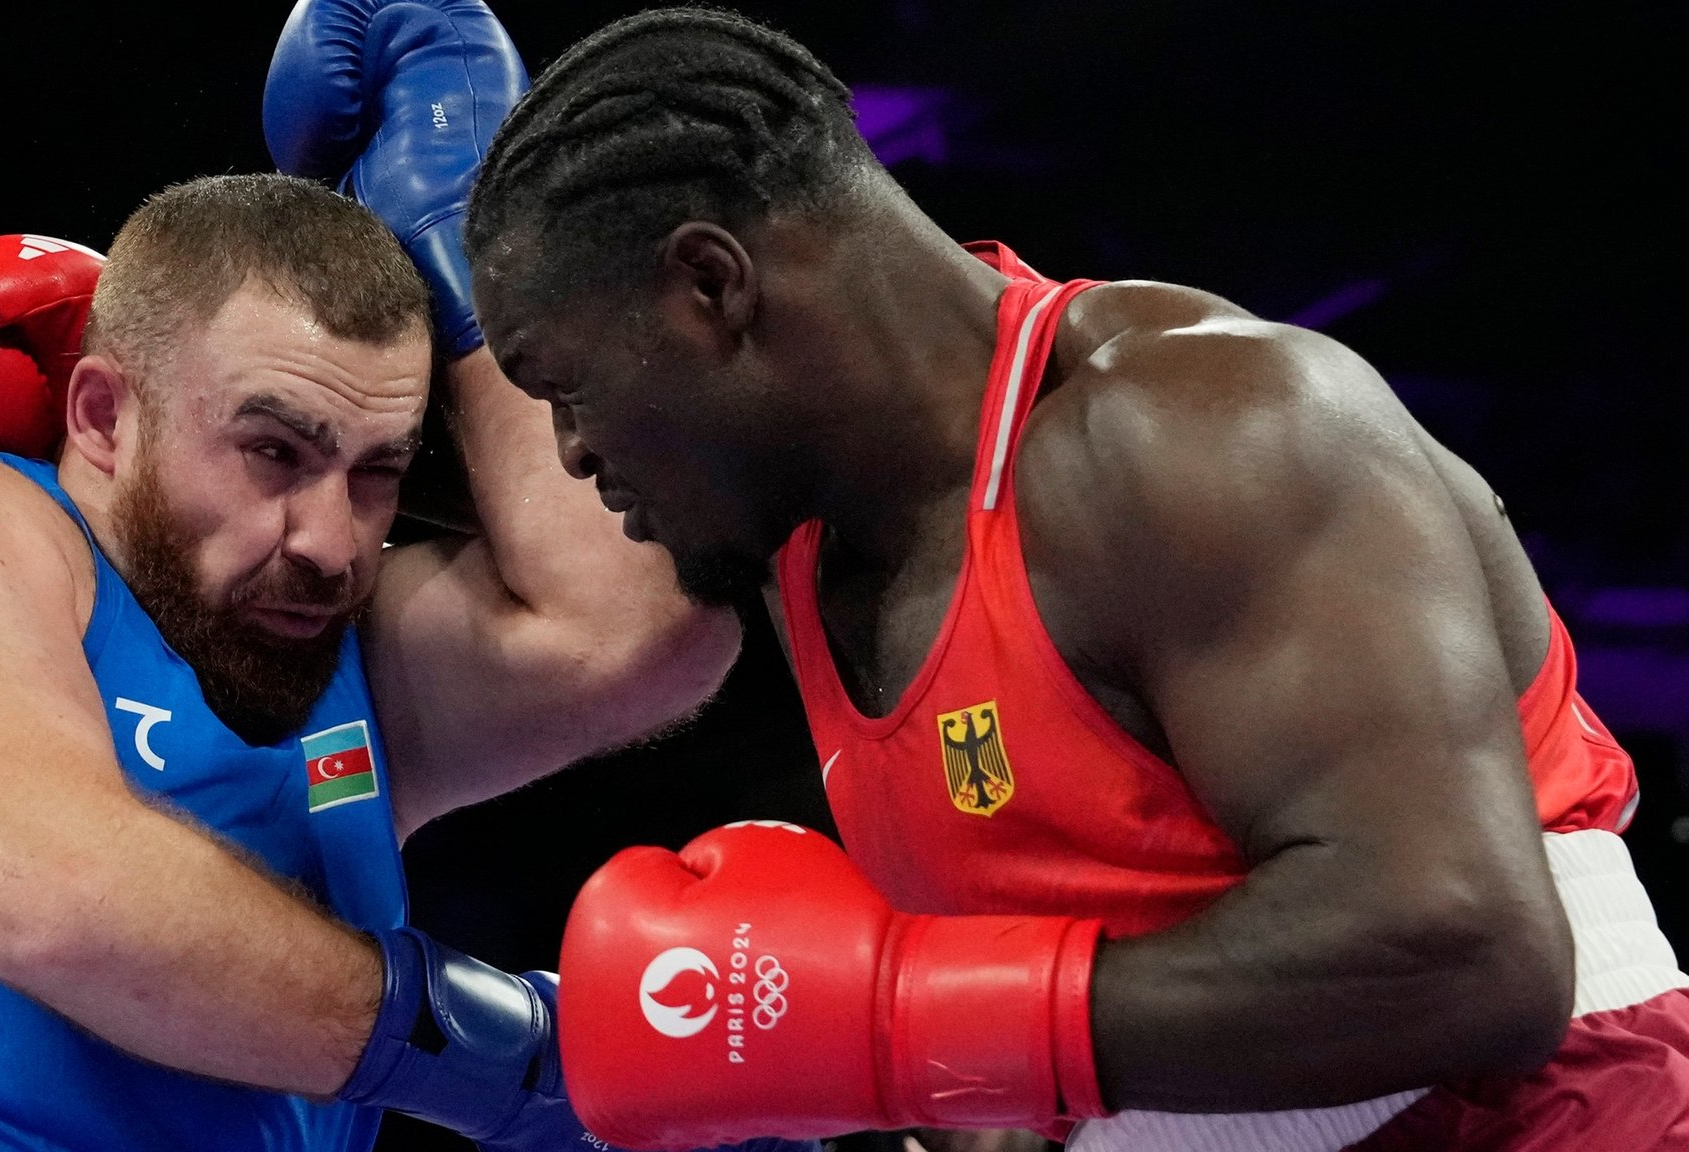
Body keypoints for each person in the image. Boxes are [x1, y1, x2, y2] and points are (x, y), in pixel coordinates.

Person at [461, 8, 1689, 1150]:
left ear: (711, 287)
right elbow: (1066, 1037)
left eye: (566, 387)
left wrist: (898, 1024)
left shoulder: (1201, 434)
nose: (571, 450)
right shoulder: (802, 549)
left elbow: (1468, 955)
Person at [0, 4, 820, 1151]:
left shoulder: (322, 660)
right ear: (102, 415)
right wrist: (534, 1060)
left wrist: (457, 231)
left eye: (377, 471)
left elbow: (635, 628)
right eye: (273, 451)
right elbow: (54, 895)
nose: (333, 542)